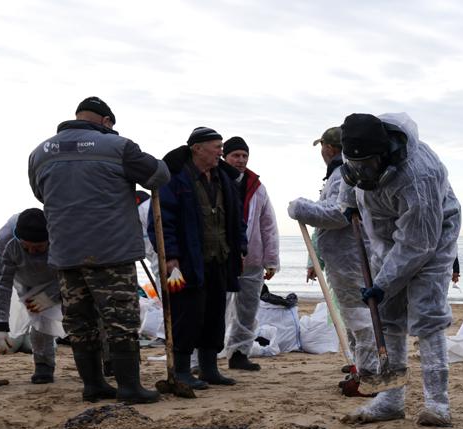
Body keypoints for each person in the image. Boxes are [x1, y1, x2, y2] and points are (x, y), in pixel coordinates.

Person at [28, 96, 169, 404]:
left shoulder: (40, 153)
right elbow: (159, 175)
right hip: (110, 251)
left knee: (80, 322)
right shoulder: (118, 147)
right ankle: (130, 387)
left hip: (66, 252)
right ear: (106, 121)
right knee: (120, 319)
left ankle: (93, 385)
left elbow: (40, 194)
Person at [338, 112, 461, 426]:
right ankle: (390, 400)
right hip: (384, 237)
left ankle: (437, 404)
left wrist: (384, 282)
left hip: (431, 237)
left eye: (368, 164)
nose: (361, 170)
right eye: (357, 163)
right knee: (387, 316)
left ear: (384, 154)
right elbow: (349, 176)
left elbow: (417, 243)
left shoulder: (420, 175)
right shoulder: (355, 154)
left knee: (427, 316)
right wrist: (347, 201)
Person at [154, 126, 248, 390]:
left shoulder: (224, 179)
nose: (221, 151)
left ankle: (209, 368)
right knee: (187, 314)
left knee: (214, 314)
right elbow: (162, 221)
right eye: (216, 147)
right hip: (186, 262)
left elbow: (237, 216)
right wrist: (170, 256)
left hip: (220, 258)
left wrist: (240, 246)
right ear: (197, 148)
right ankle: (182, 370)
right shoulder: (176, 179)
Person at [288, 126, 380, 376]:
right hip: (345, 256)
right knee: (353, 316)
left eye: (322, 148)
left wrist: (300, 208)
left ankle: (368, 372)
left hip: (351, 256)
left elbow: (338, 212)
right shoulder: (342, 173)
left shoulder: (342, 174)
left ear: (329, 148)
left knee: (359, 317)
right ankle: (360, 365)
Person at [221, 136, 279, 371]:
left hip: (252, 257)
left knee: (248, 308)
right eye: (236, 155)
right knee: (216, 307)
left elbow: (268, 224)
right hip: (221, 255)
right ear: (225, 157)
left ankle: (239, 353)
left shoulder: (257, 187)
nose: (241, 160)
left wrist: (271, 260)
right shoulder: (215, 180)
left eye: (244, 156)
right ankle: (203, 356)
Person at [0, 210, 61, 383]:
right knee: (39, 319)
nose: (31, 252)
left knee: (88, 314)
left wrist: (51, 295)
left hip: (60, 276)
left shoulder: (62, 234)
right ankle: (43, 365)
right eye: (26, 247)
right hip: (27, 279)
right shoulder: (7, 239)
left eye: (38, 248)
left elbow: (76, 271)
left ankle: (107, 358)